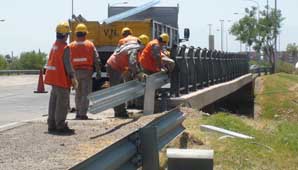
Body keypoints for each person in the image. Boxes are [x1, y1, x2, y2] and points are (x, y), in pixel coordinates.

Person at [44, 22, 78, 134]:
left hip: (53, 78)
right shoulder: (65, 48)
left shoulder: (55, 45)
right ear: (65, 34)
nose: (68, 36)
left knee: (53, 102)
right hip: (61, 79)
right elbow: (67, 64)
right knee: (62, 104)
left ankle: (51, 124)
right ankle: (60, 125)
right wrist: (73, 77)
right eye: (67, 34)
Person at [106, 34, 149, 117]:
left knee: (120, 90)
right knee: (117, 91)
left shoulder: (134, 45)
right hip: (114, 66)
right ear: (144, 45)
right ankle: (119, 112)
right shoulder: (134, 48)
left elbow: (137, 62)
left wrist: (140, 71)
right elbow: (132, 62)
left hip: (118, 67)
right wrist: (138, 73)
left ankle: (121, 111)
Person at [69, 23, 101, 120]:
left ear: (76, 34)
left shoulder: (71, 45)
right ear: (85, 34)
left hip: (75, 72)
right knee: (85, 94)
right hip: (87, 72)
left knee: (78, 93)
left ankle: (78, 112)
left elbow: (67, 60)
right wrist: (98, 71)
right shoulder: (90, 44)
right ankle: (83, 114)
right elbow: (97, 59)